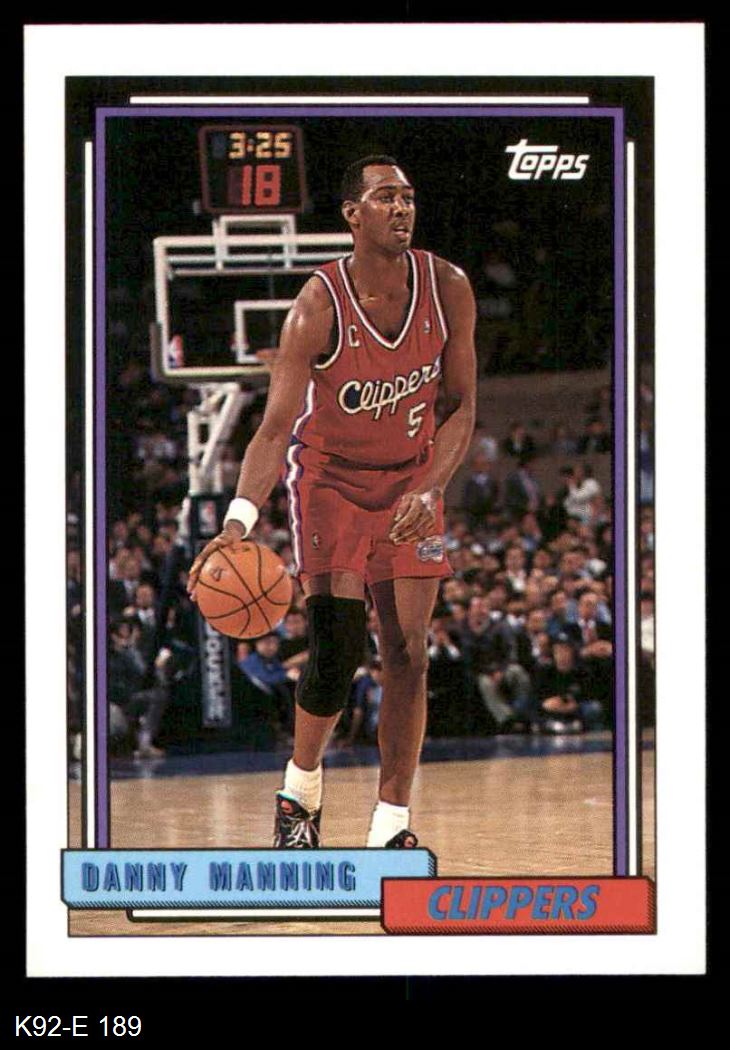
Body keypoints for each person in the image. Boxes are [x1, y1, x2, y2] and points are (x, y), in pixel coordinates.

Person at [188, 155, 476, 849]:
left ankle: (391, 825)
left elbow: (462, 406)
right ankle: (300, 795)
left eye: (408, 197)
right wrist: (238, 521)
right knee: (337, 649)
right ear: (353, 214)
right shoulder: (317, 308)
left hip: (411, 485)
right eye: (386, 197)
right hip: (331, 483)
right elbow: (273, 429)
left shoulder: (448, 287)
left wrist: (432, 484)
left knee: (408, 653)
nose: (402, 208)